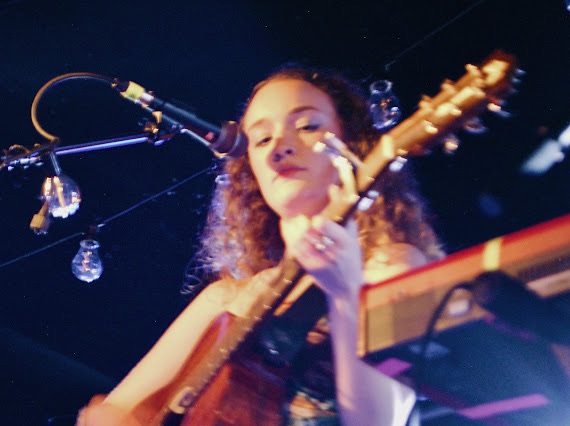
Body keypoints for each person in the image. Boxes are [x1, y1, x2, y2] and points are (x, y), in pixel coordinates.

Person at [76, 65, 443, 425]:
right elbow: (116, 412)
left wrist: (345, 293)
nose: (279, 147)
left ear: (351, 145)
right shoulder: (227, 299)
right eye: (262, 139)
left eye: (307, 125)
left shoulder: (391, 265)